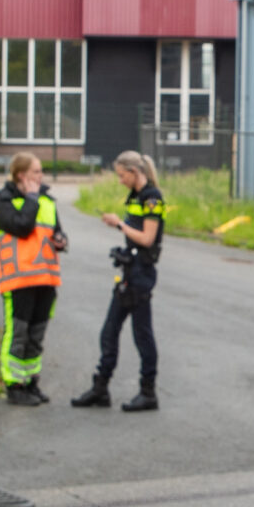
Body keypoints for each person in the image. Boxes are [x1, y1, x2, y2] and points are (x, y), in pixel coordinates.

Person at [70, 150, 164, 412]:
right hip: (129, 271)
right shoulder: (135, 197)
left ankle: (148, 392)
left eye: (122, 175)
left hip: (141, 276)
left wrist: (119, 225)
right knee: (109, 331)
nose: (120, 180)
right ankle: (100, 388)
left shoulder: (153, 199)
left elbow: (147, 238)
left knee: (142, 334)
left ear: (135, 172)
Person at [0, 152, 68, 405]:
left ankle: (31, 381)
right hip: (18, 281)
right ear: (21, 175)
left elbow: (56, 232)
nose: (40, 176)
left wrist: (61, 241)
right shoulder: (3, 201)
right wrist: (32, 198)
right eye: (36, 171)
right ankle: (14, 385)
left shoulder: (47, 201)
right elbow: (21, 226)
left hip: (46, 279)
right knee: (17, 335)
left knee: (37, 335)